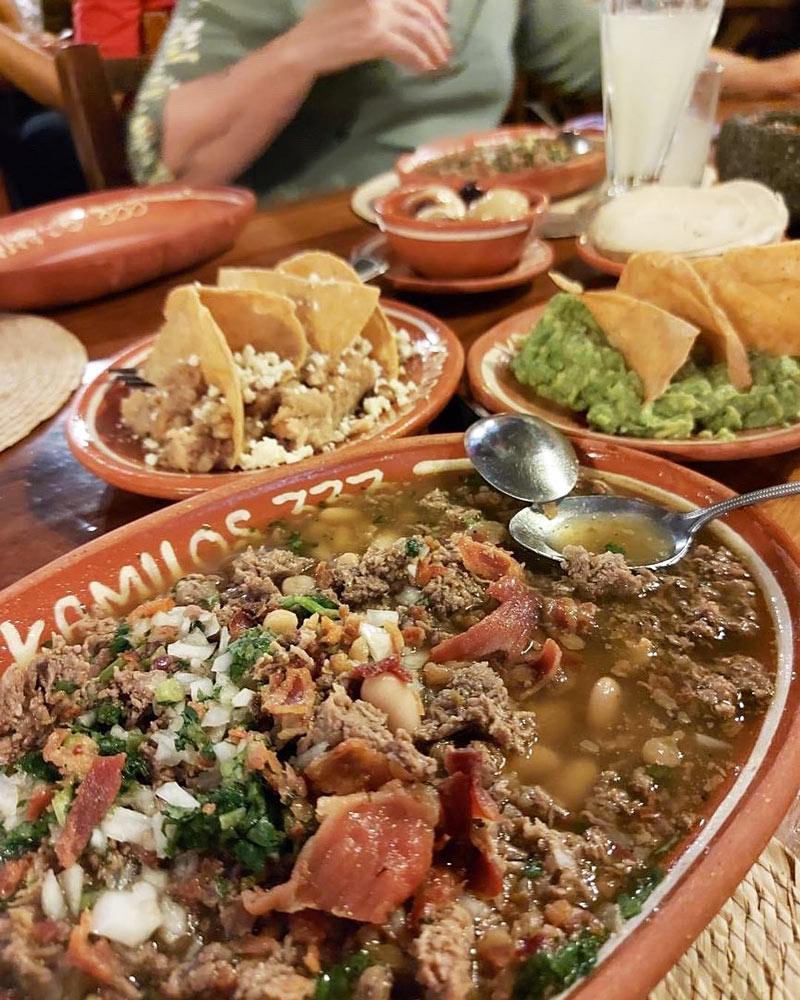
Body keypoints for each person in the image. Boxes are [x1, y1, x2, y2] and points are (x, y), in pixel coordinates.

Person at [128, 0, 800, 205]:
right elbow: (180, 157)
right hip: (306, 251)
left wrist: (778, 80)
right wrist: (301, 48)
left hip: (476, 234)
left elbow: (631, 47)